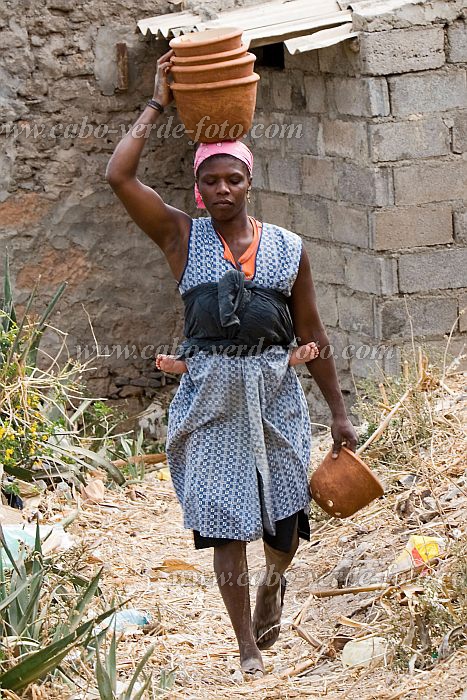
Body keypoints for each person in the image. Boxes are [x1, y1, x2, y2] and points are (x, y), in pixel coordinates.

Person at [105, 49, 358, 678]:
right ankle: (245, 647)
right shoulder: (181, 238)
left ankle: (276, 578)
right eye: (211, 182)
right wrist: (159, 100)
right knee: (225, 523)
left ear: (250, 184)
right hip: (210, 399)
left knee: (281, 526)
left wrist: (338, 412)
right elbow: (119, 176)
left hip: (274, 394)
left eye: (233, 180)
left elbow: (311, 330)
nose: (222, 191)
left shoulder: (287, 250)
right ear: (198, 188)